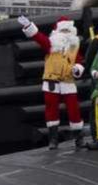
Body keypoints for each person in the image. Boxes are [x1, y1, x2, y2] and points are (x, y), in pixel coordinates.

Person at [17, 16, 87, 148]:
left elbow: (79, 60)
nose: (65, 34)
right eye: (63, 30)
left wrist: (77, 69)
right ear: (57, 31)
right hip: (51, 80)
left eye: (68, 31)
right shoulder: (51, 44)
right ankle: (53, 139)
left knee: (74, 109)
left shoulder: (74, 46)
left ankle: (78, 137)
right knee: (51, 109)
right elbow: (39, 38)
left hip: (67, 80)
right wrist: (29, 26)